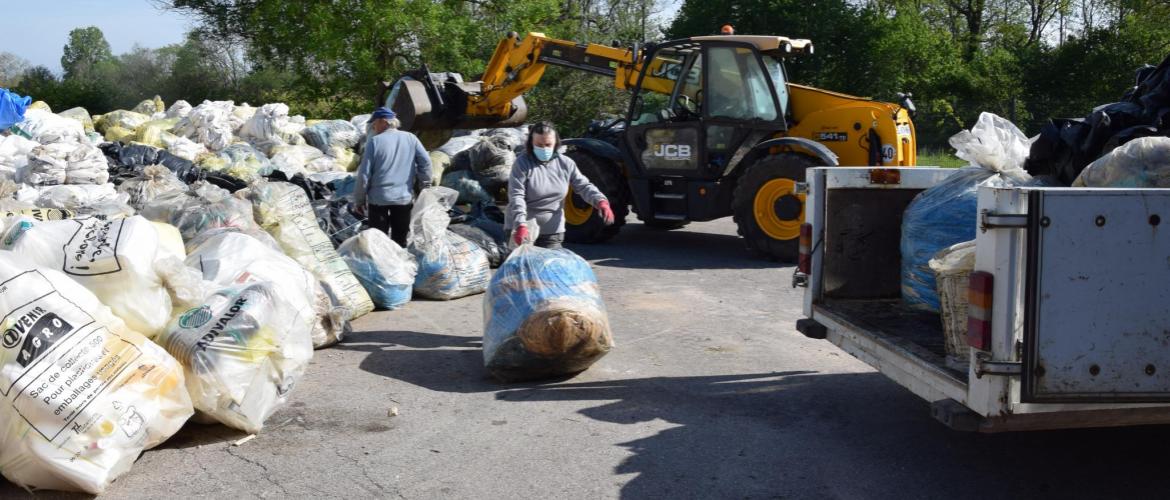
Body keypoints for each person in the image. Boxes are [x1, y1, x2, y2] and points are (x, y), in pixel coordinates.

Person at [507, 121, 615, 249]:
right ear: (531, 144)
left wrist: (601, 201)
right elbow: (516, 196)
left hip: (552, 230)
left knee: (551, 266)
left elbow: (583, 186)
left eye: (548, 145)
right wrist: (520, 224)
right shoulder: (522, 164)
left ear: (556, 143)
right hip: (524, 228)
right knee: (522, 268)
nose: (544, 149)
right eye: (539, 145)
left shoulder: (565, 163)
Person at [354, 107, 433, 248]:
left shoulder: (374, 142)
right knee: (400, 240)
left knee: (379, 241)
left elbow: (364, 173)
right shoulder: (411, 138)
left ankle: (383, 266)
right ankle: (401, 265)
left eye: (374, 124)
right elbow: (426, 162)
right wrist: (425, 185)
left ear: (383, 122)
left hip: (378, 200)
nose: (374, 127)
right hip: (403, 199)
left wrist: (359, 200)